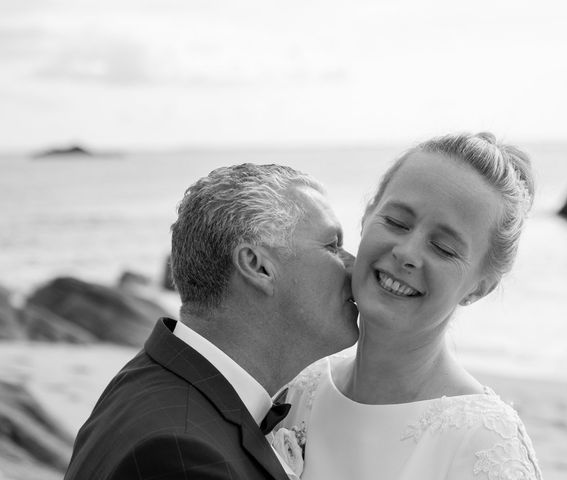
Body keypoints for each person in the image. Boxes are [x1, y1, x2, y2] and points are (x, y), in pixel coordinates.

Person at [64, 164, 359, 480]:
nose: (353, 266)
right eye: (332, 246)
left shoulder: (154, 381)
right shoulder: (182, 457)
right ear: (257, 266)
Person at [283, 133, 544, 479]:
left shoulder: (484, 443)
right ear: (366, 216)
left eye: (444, 248)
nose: (407, 253)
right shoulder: (301, 389)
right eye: (397, 222)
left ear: (480, 288)